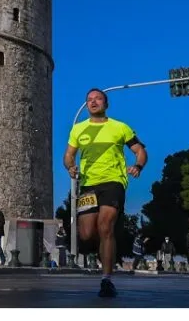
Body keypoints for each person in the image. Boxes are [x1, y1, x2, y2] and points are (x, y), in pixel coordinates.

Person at [64, 88, 148, 298]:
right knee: (86, 234)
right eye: (89, 100)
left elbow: (140, 150)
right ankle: (107, 243)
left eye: (98, 99)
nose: (93, 102)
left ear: (106, 104)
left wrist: (138, 166)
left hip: (113, 182)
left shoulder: (120, 127)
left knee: (105, 227)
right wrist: (70, 167)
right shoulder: (78, 129)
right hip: (88, 185)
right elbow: (69, 155)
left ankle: (106, 279)